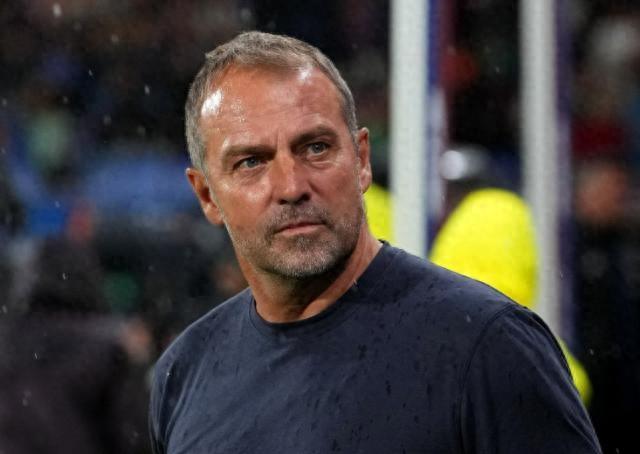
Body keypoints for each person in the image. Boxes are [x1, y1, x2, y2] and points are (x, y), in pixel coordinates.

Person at [149, 31, 601, 453]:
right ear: (207, 195)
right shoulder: (182, 375)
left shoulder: (488, 345)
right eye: (251, 162)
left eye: (316, 148)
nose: (291, 186)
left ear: (361, 160)